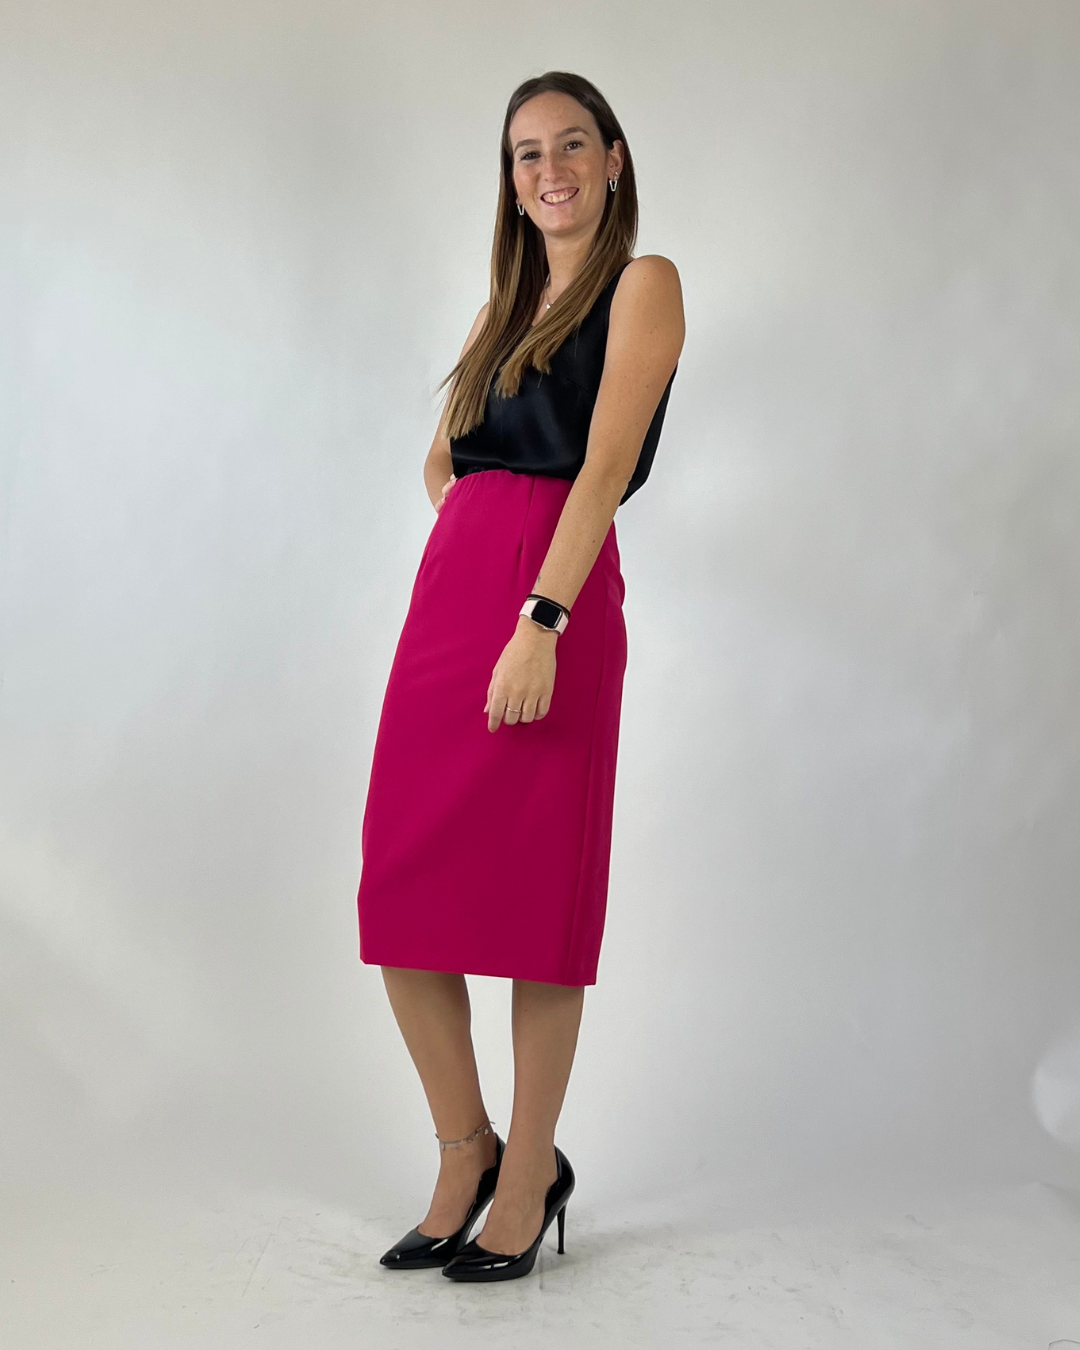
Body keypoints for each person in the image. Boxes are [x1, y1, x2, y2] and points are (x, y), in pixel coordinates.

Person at [355, 70, 684, 1283]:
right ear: (510, 178)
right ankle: (468, 1150)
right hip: (452, 604)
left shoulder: (643, 285)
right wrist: (470, 527)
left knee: (539, 907)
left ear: (613, 159)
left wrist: (541, 614)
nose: (549, 170)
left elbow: (602, 468)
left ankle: (532, 1170)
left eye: (571, 145)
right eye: (525, 153)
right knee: (400, 891)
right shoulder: (505, 305)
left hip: (551, 599)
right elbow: (443, 458)